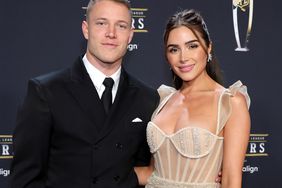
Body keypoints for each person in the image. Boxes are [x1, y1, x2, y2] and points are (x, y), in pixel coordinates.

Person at [9, 0, 159, 187]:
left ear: (130, 36)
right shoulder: (46, 92)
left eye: (121, 26)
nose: (111, 33)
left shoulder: (147, 98)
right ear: (86, 29)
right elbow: (24, 180)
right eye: (101, 23)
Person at [135, 9, 251, 188]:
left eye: (192, 46)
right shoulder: (163, 100)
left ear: (208, 47)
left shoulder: (230, 102)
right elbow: (153, 173)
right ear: (167, 56)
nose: (183, 58)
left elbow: (230, 180)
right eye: (174, 49)